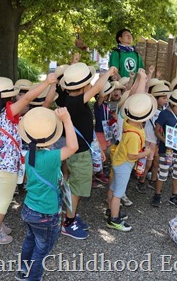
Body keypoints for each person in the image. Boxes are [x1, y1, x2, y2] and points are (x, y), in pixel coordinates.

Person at [0, 74, 58, 245]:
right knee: (4, 200)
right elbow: (27, 98)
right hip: (8, 165)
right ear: (8, 97)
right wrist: (47, 82)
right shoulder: (9, 112)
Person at [16, 107, 78, 281]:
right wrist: (66, 119)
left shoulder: (30, 155)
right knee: (42, 248)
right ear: (53, 135)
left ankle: (23, 270)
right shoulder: (50, 158)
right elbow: (73, 146)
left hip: (29, 209)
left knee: (30, 239)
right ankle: (33, 278)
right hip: (46, 213)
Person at [59, 63, 117, 240]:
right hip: (79, 154)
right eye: (88, 83)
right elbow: (99, 87)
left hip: (79, 150)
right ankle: (68, 223)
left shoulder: (65, 98)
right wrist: (109, 72)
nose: (91, 85)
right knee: (76, 188)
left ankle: (71, 215)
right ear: (82, 87)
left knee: (74, 185)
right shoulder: (75, 102)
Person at [107, 93, 156, 231]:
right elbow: (132, 155)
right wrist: (146, 152)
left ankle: (111, 211)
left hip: (119, 161)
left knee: (113, 188)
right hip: (124, 164)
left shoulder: (130, 123)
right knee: (118, 193)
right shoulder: (134, 134)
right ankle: (114, 220)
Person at [135, 83, 170, 193]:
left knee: (156, 162)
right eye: (163, 98)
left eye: (166, 98)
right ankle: (141, 181)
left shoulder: (165, 111)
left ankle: (153, 180)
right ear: (156, 98)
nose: (166, 100)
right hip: (149, 140)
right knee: (147, 163)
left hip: (159, 141)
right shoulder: (151, 110)